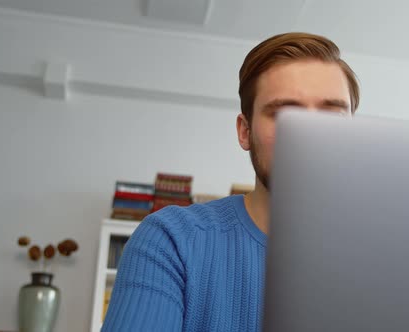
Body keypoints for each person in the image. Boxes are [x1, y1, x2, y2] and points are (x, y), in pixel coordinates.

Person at [101, 32, 360, 331]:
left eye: (333, 115)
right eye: (284, 113)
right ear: (244, 131)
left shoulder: (387, 258)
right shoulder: (170, 241)